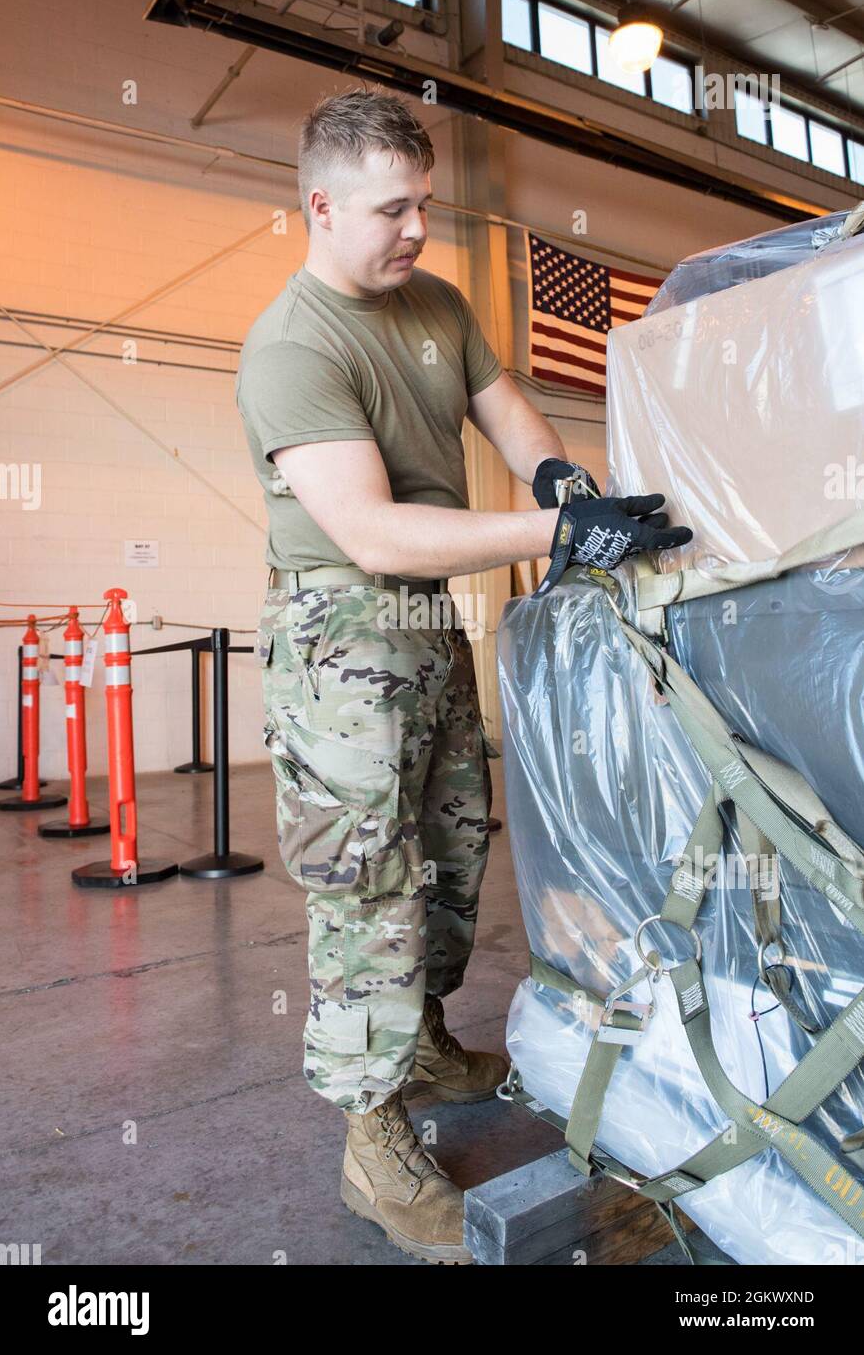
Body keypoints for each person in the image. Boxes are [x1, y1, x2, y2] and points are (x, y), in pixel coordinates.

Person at [236, 85, 692, 1265]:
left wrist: (557, 484)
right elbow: (375, 534)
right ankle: (371, 1139)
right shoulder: (292, 346)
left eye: (424, 205)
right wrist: (557, 540)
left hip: (429, 624)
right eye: (391, 210)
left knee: (448, 853)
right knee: (366, 888)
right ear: (321, 205)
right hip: (344, 641)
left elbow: (508, 411)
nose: (415, 231)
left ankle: (425, 1042)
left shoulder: (434, 302)